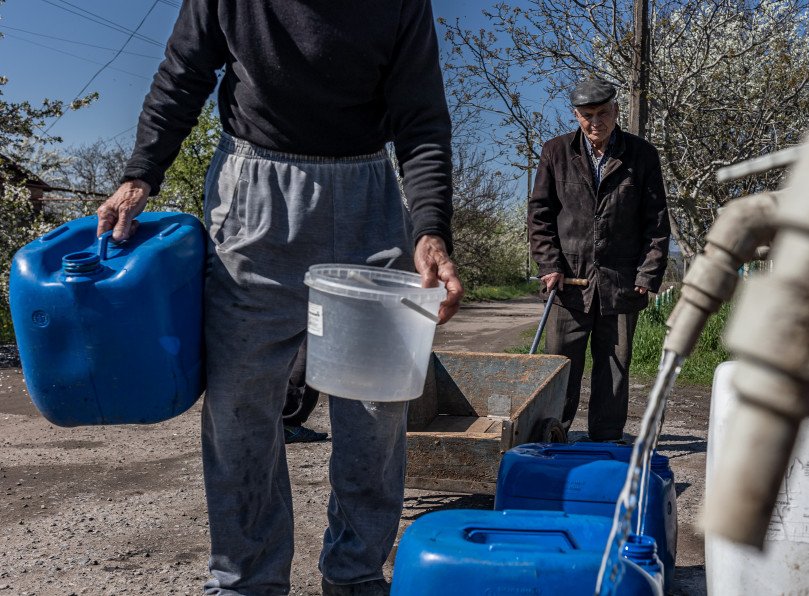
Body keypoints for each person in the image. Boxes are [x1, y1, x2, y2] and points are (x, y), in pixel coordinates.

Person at [95, 1, 462, 594]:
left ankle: (354, 577)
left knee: (375, 414)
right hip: (254, 197)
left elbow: (422, 120)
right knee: (241, 408)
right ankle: (247, 582)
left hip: (368, 197)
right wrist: (141, 174)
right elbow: (183, 73)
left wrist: (429, 230)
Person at [527, 77, 670, 443]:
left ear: (616, 111)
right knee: (559, 366)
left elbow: (656, 222)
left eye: (602, 113)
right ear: (576, 116)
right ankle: (551, 437)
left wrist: (648, 272)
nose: (595, 122)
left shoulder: (641, 155)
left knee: (614, 366)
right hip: (567, 282)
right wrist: (549, 265)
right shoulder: (555, 152)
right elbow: (540, 216)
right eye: (586, 115)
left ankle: (606, 441)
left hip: (621, 281)